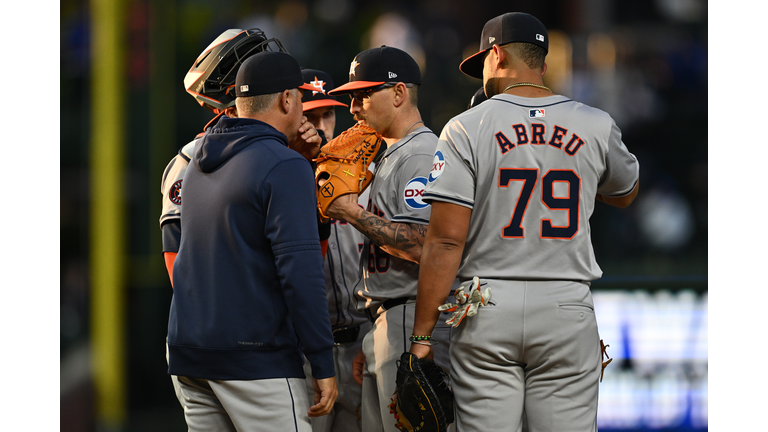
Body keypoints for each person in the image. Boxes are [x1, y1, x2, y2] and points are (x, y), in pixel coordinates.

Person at [409, 12, 640, 432]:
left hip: (487, 304)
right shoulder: (594, 123)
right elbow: (626, 192)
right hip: (565, 304)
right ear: (544, 65)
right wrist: (583, 179)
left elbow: (444, 241)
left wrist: (422, 336)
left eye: (481, 61)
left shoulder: (465, 127)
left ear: (495, 55)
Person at [166, 51, 337, 432]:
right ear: (287, 100)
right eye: (300, 97)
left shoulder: (196, 162)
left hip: (189, 355)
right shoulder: (285, 165)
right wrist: (322, 361)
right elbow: (301, 271)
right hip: (256, 360)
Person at [325, 45, 454, 432]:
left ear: (399, 93)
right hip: (385, 317)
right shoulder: (388, 155)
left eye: (364, 94)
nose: (354, 107)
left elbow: (422, 244)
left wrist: (352, 212)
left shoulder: (420, 154)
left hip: (409, 312)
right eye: (351, 96)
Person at [300, 68, 370, 432]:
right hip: (308, 352)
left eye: (327, 113)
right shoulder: (284, 180)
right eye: (309, 116)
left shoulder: (368, 175)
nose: (321, 124)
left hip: (364, 340)